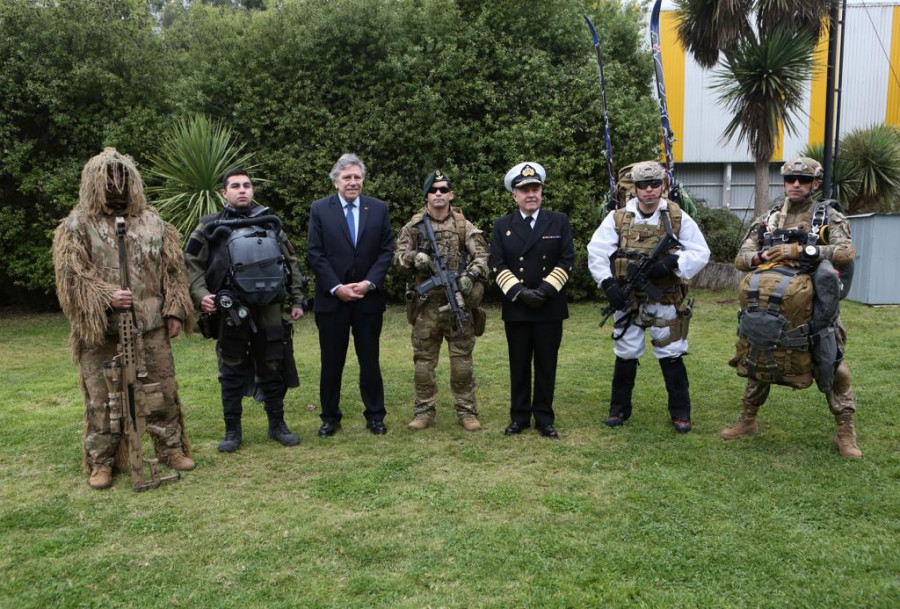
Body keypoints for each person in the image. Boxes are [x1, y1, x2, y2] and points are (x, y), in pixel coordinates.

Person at [52, 148, 195, 489]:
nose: (116, 183)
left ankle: (170, 448)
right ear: (94, 182)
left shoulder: (153, 223)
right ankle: (101, 461)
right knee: (102, 400)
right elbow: (71, 278)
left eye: (122, 176)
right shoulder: (77, 226)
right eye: (109, 176)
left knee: (162, 391)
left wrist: (175, 311)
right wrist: (105, 295)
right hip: (101, 332)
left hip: (150, 326)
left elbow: (174, 271)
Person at [723, 156, 861, 458]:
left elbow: (846, 251)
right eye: (789, 179)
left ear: (814, 183)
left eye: (802, 179)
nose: (795, 184)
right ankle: (747, 420)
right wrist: (760, 258)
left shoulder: (828, 216)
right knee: (759, 355)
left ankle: (845, 432)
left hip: (813, 306)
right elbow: (740, 258)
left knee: (832, 364)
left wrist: (803, 250)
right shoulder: (768, 218)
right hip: (770, 303)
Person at [184, 168, 307, 452]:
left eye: (247, 185)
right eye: (236, 186)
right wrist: (202, 295)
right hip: (231, 309)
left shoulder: (271, 222)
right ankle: (232, 431)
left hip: (270, 308)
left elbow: (291, 261)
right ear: (223, 192)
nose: (242, 190)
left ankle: (277, 425)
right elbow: (192, 264)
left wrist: (298, 299)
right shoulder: (209, 227)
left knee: (273, 363)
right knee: (231, 367)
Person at [587, 160, 710, 433]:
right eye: (643, 185)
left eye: (655, 184)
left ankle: (680, 412)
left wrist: (671, 264)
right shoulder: (618, 217)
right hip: (628, 298)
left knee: (671, 351)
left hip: (664, 297)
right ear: (635, 188)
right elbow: (596, 251)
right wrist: (608, 284)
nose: (650, 190)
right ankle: (619, 409)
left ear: (663, 185)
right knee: (626, 352)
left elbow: (701, 252)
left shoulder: (677, 217)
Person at [393, 170, 490, 431]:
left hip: (458, 300)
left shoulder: (463, 225)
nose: (438, 194)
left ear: (451, 194)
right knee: (423, 363)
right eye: (433, 190)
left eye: (443, 189)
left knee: (462, 363)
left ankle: (467, 411)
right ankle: (424, 412)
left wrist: (470, 275)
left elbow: (483, 256)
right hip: (426, 305)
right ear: (426, 194)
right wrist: (414, 258)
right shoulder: (413, 227)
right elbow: (397, 258)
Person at [307, 153, 394, 436]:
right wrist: (336, 287)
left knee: (370, 360)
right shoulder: (320, 209)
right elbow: (315, 253)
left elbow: (385, 251)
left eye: (357, 177)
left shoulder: (378, 209)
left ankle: (375, 415)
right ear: (336, 182)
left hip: (368, 300)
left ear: (363, 180)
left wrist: (369, 283)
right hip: (332, 301)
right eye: (347, 177)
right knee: (332, 361)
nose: (353, 182)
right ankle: (330, 417)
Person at [489, 162, 574, 439]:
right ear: (514, 194)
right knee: (519, 364)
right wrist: (521, 293)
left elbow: (567, 260)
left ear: (541, 191)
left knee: (547, 365)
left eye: (535, 188)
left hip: (549, 306)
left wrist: (545, 291)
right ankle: (519, 417)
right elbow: (497, 264)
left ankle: (545, 419)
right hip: (517, 306)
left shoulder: (558, 221)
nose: (531, 194)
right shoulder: (503, 226)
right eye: (524, 189)